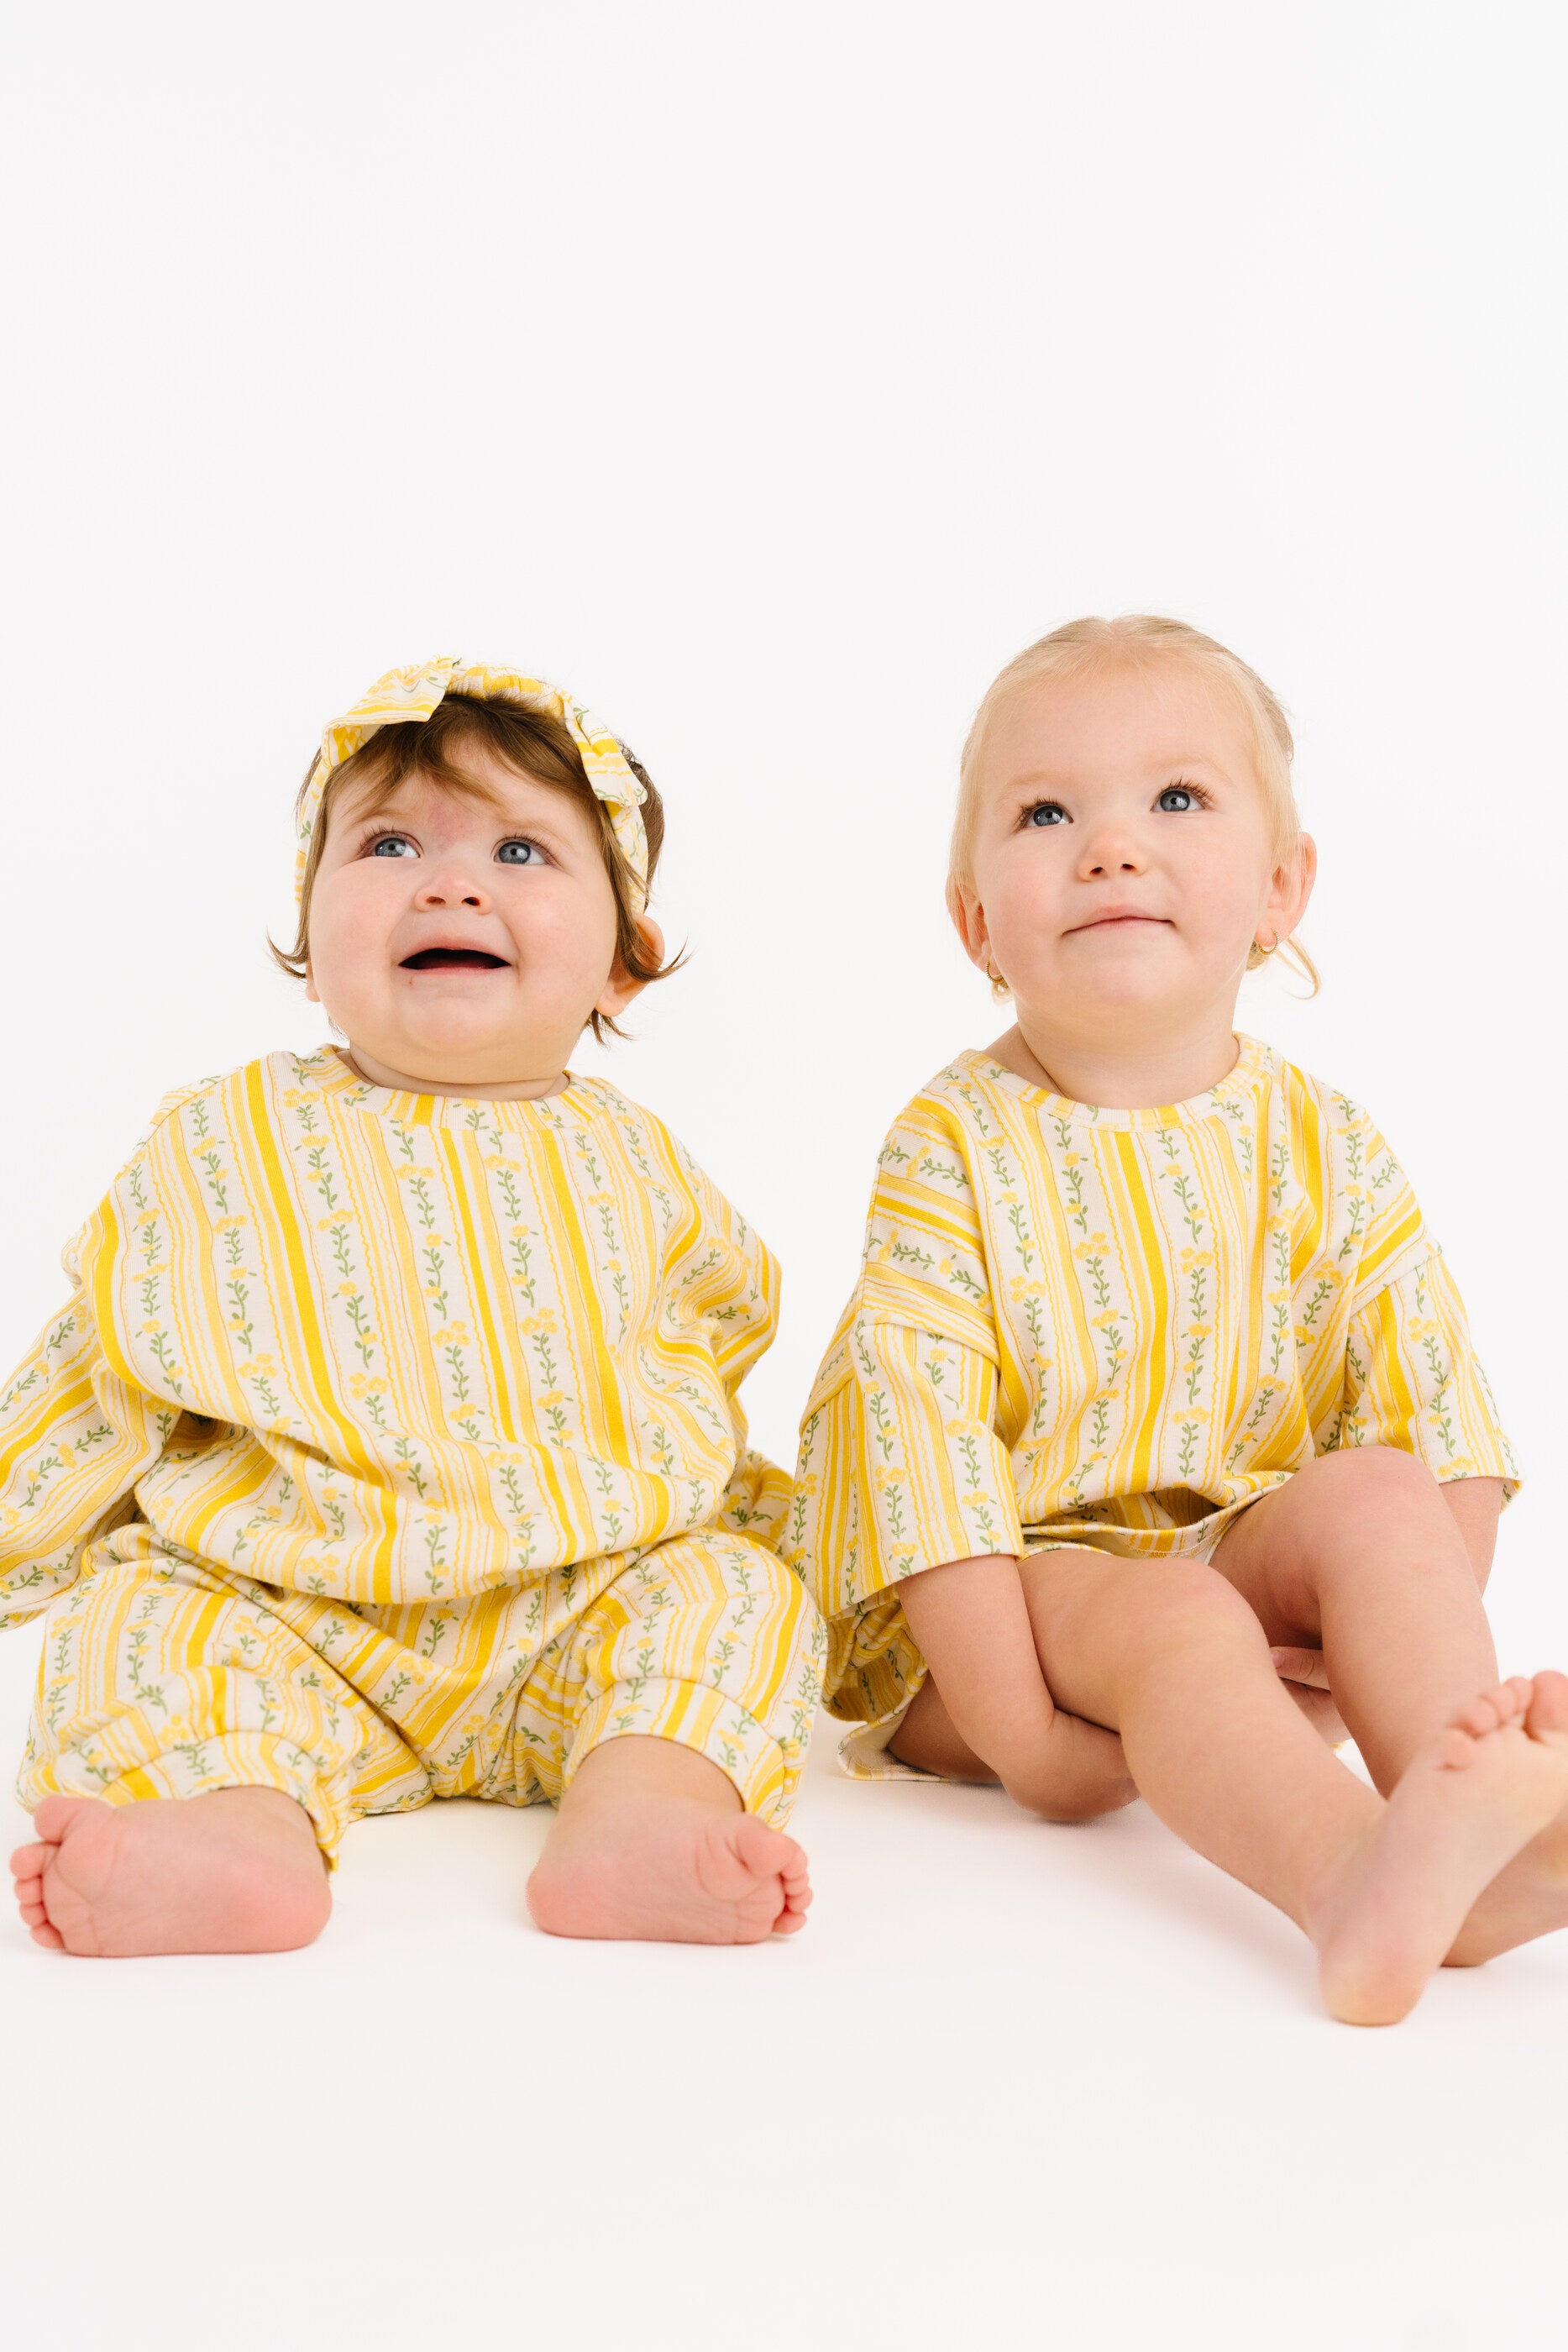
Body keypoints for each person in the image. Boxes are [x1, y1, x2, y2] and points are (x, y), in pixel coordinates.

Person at [790, 614, 1568, 2024]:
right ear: (976, 922)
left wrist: (1365, 1679)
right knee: (1176, 1613)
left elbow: (1438, 1418)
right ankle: (1348, 1886)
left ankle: (1457, 1828)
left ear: (1280, 890)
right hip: (991, 1627)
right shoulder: (952, 1143)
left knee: (1380, 1490)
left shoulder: (1323, 1139)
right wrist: (1027, 1742)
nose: (1112, 847)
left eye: (1177, 798)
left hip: (1220, 1570)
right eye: (1046, 814)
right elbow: (920, 1452)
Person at [5, 658, 822, 1956]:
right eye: (389, 846)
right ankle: (234, 1828)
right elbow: (105, 1368)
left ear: (623, 964)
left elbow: (703, 1382)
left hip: (584, 1599)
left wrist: (810, 1550)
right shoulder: (227, 1141)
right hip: (289, 1603)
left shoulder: (645, 1166)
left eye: (520, 851)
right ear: (308, 944)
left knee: (732, 1593)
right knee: (138, 1622)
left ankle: (644, 1809)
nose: (452, 885)